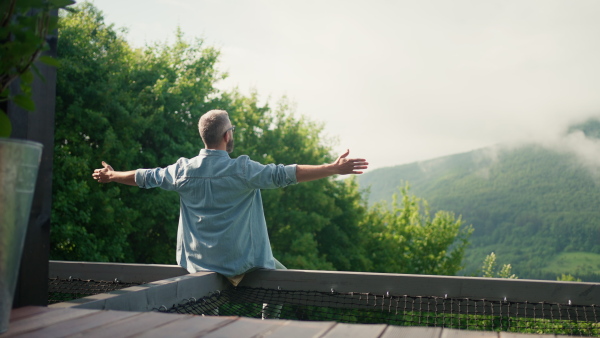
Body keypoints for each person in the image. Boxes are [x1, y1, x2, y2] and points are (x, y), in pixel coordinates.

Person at [92, 109, 368, 287]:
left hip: (197, 267)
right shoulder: (242, 169)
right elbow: (286, 174)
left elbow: (144, 176)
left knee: (205, 314)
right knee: (287, 283)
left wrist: (112, 175)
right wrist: (332, 168)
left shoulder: (182, 171)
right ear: (227, 135)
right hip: (241, 265)